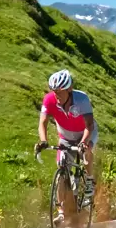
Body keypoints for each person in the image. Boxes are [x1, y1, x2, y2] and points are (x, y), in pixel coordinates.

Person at [34, 69, 98, 211]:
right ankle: (61, 210)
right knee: (61, 171)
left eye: (60, 92)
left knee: (86, 151)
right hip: (66, 136)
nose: (56, 95)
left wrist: (83, 142)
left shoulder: (82, 99)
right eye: (54, 91)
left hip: (86, 133)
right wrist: (43, 141)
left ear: (69, 90)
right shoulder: (49, 100)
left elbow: (90, 125)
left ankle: (89, 181)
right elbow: (42, 123)